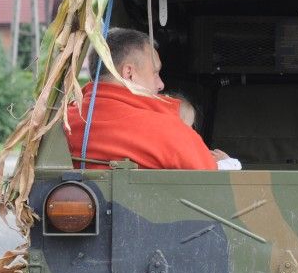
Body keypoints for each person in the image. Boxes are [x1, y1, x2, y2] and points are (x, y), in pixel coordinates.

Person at [65, 28, 216, 170]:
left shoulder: (63, 124)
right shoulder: (167, 131)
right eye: (155, 72)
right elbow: (213, 180)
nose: (161, 84)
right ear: (129, 73)